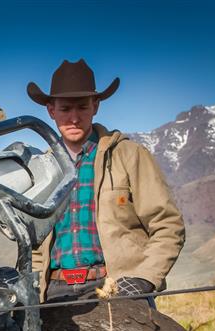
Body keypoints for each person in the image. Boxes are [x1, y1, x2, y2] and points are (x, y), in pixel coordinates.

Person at [26, 59, 184, 302]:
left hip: (118, 287)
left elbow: (167, 224)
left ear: (95, 106)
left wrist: (144, 278)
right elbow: (35, 244)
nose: (74, 118)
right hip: (56, 293)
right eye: (66, 109)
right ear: (51, 110)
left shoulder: (129, 155)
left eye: (82, 107)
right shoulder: (41, 170)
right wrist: (36, 287)